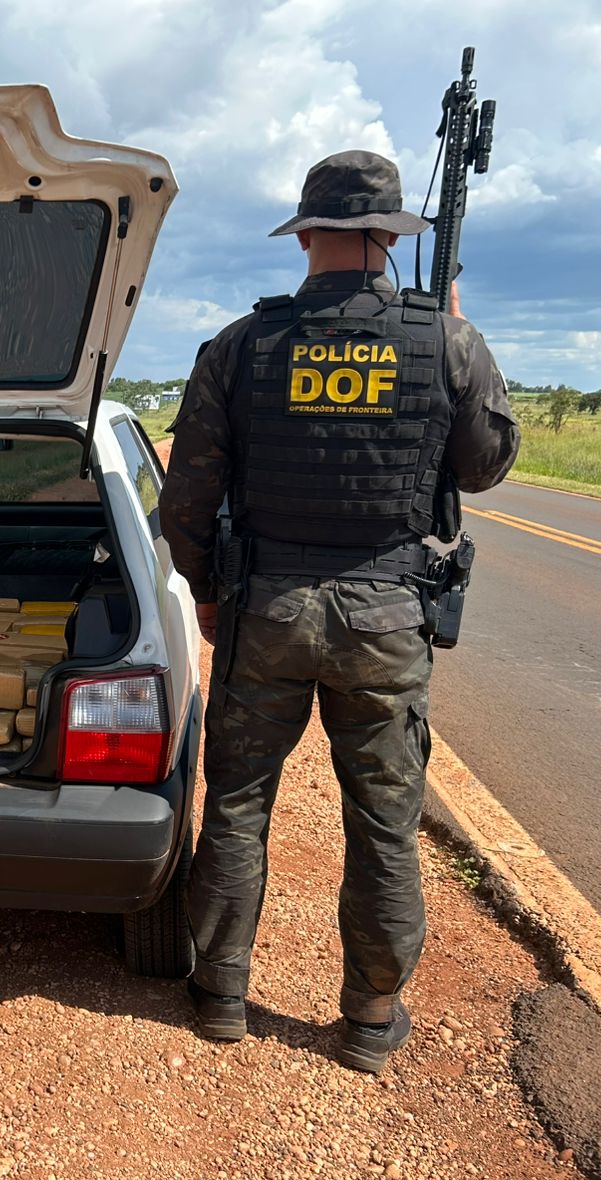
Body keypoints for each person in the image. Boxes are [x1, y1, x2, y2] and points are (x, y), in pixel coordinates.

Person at [157, 151, 519, 1073]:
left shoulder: (242, 344)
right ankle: (369, 1017)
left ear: (306, 237)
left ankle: (220, 993)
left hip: (267, 608)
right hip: (386, 617)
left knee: (237, 803)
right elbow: (484, 467)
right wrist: (455, 336)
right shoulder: (447, 341)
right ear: (390, 237)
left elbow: (186, 499)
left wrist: (209, 597)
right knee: (386, 822)